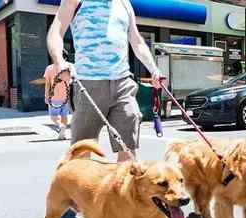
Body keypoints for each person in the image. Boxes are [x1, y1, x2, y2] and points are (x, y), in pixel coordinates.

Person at [47, 0, 165, 162]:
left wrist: (154, 69)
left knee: (128, 151)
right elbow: (56, 32)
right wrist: (59, 62)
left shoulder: (125, 4)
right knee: (81, 153)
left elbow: (137, 42)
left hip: (123, 84)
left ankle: (120, 186)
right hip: (88, 85)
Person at [44, 50, 72, 140]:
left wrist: (46, 96)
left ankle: (60, 126)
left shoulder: (50, 68)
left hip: (54, 96)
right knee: (64, 115)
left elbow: (48, 83)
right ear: (66, 57)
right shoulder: (69, 66)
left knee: (53, 116)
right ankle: (63, 134)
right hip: (66, 96)